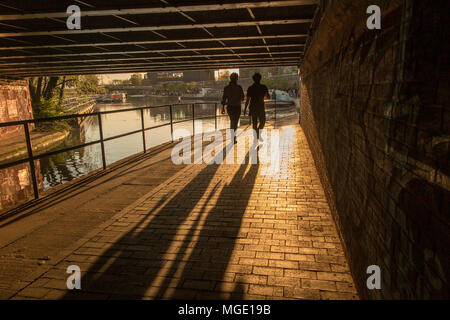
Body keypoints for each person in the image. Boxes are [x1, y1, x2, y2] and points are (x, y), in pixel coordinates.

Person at [244, 73, 270, 140]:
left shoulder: (250, 88)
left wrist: (245, 109)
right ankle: (258, 133)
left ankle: (256, 135)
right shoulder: (264, 87)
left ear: (253, 79)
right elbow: (268, 97)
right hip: (261, 106)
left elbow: (247, 100)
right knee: (263, 121)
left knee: (254, 122)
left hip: (253, 107)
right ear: (260, 79)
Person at [221, 72, 244, 144]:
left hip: (230, 107)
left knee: (232, 121)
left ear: (230, 79)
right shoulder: (239, 87)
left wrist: (223, 108)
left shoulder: (226, 88)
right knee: (235, 122)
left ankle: (232, 137)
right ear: (237, 79)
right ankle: (233, 137)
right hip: (237, 107)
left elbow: (224, 99)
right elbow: (243, 98)